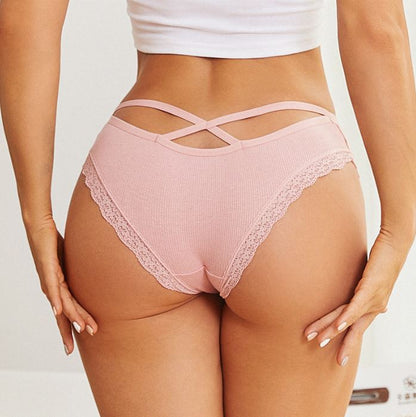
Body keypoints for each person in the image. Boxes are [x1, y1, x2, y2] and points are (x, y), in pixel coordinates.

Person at [1, 0, 415, 415]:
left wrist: (38, 219)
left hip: (138, 171)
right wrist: (399, 228)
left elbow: (21, 23)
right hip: (293, 173)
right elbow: (376, 30)